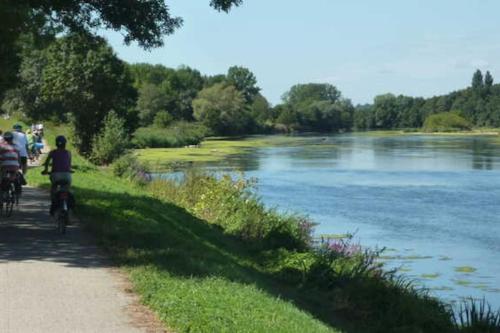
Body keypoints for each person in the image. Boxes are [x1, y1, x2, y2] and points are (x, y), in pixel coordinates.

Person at [42, 135, 72, 215]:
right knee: (67, 189)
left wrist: (46, 170)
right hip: (66, 175)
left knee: (54, 188)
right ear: (65, 144)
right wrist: (69, 170)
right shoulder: (68, 153)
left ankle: (53, 203)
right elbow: (69, 165)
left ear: (56, 144)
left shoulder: (53, 152)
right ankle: (68, 209)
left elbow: (47, 162)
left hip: (55, 175)